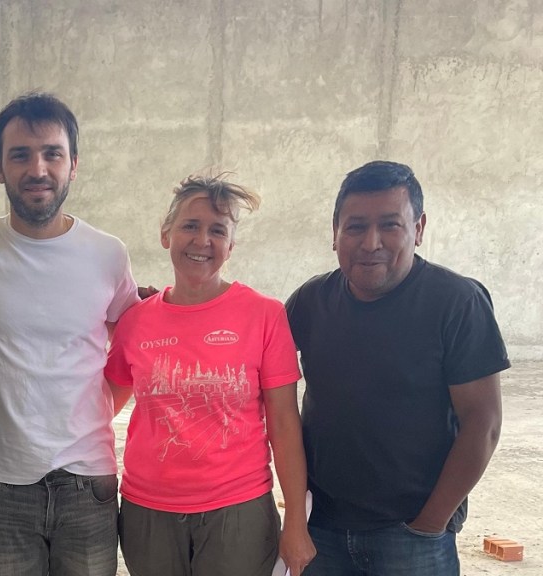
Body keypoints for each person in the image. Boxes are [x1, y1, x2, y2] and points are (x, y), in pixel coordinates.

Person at [0, 93, 139, 575]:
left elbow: (133, 347)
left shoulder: (107, 254)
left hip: (88, 483)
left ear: (73, 164)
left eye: (52, 153)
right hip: (1, 484)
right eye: (21, 155)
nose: (37, 168)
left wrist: (98, 410)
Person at [285, 160, 508, 575]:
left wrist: (429, 524)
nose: (371, 242)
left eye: (390, 225)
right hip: (324, 528)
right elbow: (249, 359)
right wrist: (161, 307)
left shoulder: (456, 303)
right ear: (335, 234)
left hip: (412, 534)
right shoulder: (310, 302)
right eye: (355, 227)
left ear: (418, 229)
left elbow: (484, 422)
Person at [105, 174, 316, 576]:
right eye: (190, 226)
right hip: (147, 511)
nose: (202, 240)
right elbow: (101, 407)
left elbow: (285, 423)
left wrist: (295, 522)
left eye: (217, 230)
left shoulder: (265, 316)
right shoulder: (135, 322)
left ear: (231, 246)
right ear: (166, 234)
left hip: (237, 512)